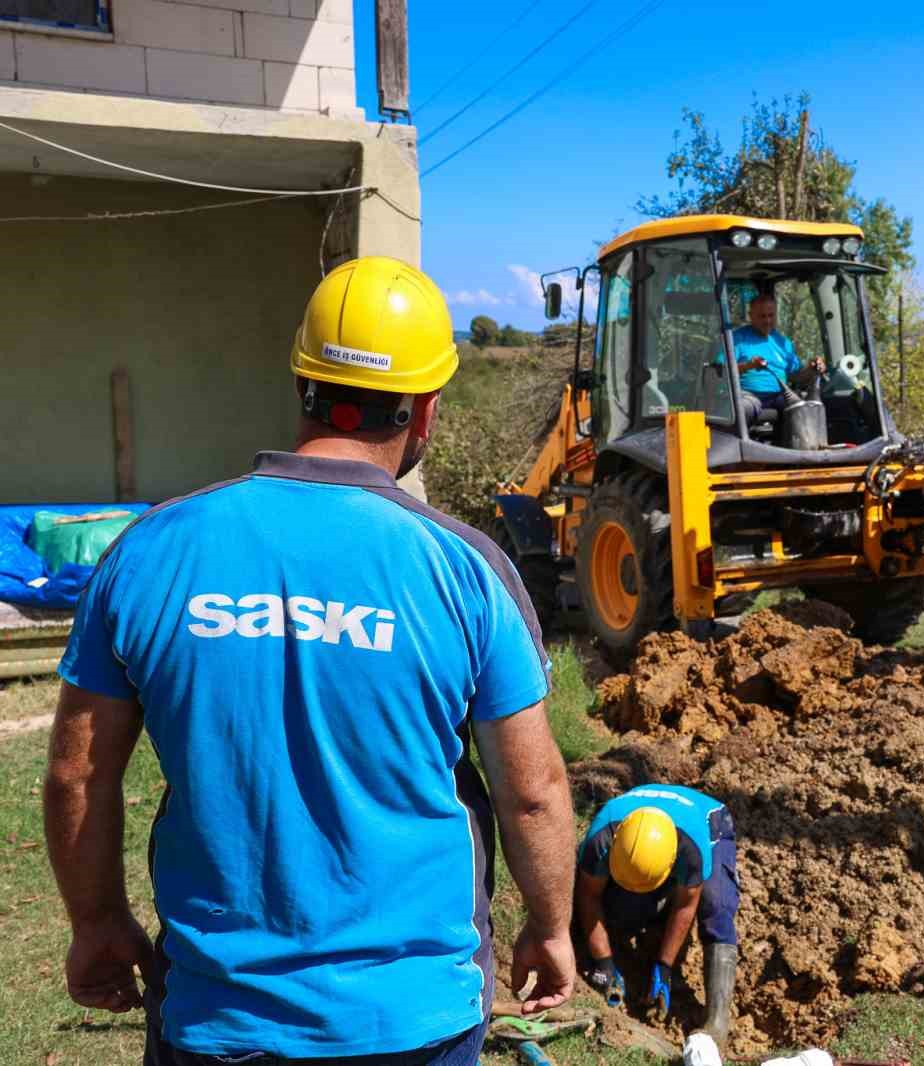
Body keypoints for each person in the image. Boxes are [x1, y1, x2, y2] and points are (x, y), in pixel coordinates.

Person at [42, 256, 577, 1066]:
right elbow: (532, 793)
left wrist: (96, 923)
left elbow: (78, 775)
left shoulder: (154, 550)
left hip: (219, 1015)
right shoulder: (463, 569)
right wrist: (550, 927)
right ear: (426, 410)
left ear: (303, 383)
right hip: (413, 1020)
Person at [576, 784, 739, 1048]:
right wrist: (603, 962)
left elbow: (686, 905)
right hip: (636, 820)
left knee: (716, 906)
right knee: (621, 909)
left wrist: (664, 967)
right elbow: (589, 896)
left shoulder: (692, 848)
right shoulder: (602, 838)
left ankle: (717, 1021)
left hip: (709, 820)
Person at [729, 291, 825, 424]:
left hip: (779, 395)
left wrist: (812, 368)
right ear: (751, 316)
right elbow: (723, 372)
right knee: (744, 409)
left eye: (771, 315)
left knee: (802, 410)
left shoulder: (783, 343)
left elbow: (796, 376)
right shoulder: (737, 339)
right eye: (762, 316)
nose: (767, 321)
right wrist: (748, 366)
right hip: (748, 395)